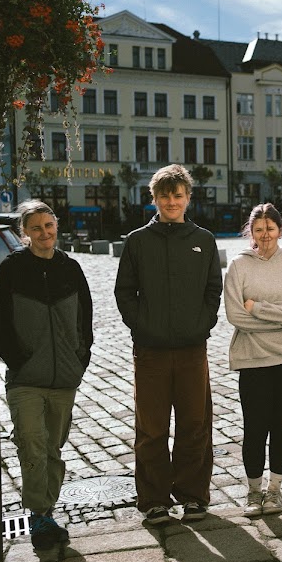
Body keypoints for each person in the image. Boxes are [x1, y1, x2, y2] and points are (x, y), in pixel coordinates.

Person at [114, 164, 222, 525]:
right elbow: (124, 293)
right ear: (154, 199)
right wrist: (143, 326)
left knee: (194, 424)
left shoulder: (203, 240)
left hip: (193, 349)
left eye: (178, 195)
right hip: (151, 351)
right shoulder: (137, 241)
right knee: (152, 428)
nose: (172, 201)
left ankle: (193, 496)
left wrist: (201, 323)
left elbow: (213, 290)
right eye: (165, 195)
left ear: (188, 198)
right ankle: (155, 500)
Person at [0, 200, 93, 550]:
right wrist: (18, 359)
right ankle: (38, 514)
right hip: (25, 378)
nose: (44, 233)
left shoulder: (71, 268)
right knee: (33, 444)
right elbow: (1, 323)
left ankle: (46, 510)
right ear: (25, 233)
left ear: (56, 227)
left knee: (53, 447)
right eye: (36, 228)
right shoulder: (11, 269)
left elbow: (85, 317)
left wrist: (80, 357)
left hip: (64, 377)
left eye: (49, 226)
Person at [225, 203, 282, 517]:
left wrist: (259, 309)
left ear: (281, 230)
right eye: (259, 229)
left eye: (270, 228)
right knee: (254, 426)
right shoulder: (239, 266)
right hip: (253, 358)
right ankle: (253, 491)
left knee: (281, 423)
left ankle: (275, 490)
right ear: (251, 231)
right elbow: (236, 315)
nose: (265, 235)